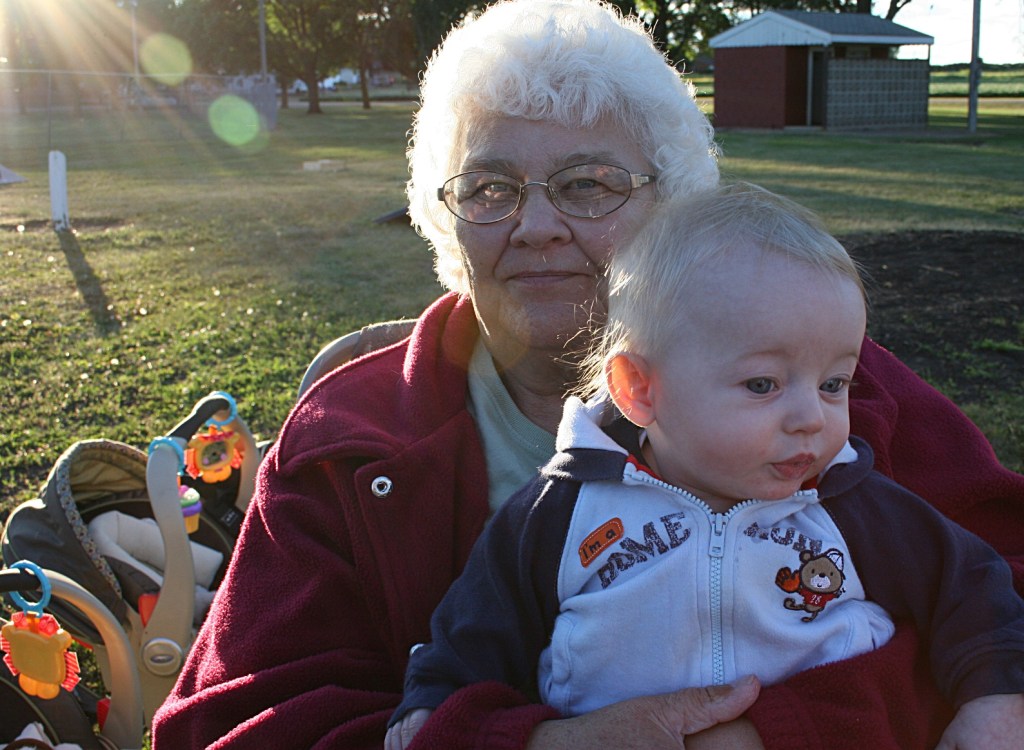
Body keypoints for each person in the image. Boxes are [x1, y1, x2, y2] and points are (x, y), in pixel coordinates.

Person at [151, 1, 1024, 747]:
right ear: (444, 217)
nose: (533, 225)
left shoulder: (825, 383)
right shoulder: (353, 436)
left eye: (589, 183)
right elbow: (232, 721)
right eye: (490, 188)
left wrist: (772, 730)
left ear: (674, 211)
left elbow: (1002, 591)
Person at [385, 183, 1024, 750]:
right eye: (763, 384)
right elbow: (471, 635)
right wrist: (429, 708)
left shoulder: (852, 506)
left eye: (835, 384)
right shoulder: (561, 512)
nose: (812, 418)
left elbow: (973, 590)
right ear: (640, 390)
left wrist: (996, 697)